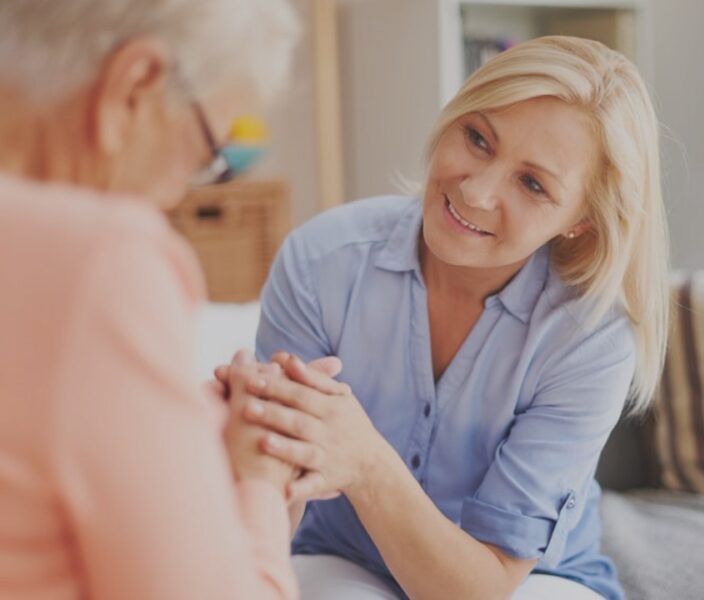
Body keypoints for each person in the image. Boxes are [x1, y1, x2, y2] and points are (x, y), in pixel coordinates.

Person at [222, 36, 670, 600]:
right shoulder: (321, 262)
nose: (476, 192)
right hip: (342, 557)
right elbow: (270, 503)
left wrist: (364, 460)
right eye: (478, 139)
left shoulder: (589, 337)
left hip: (527, 584)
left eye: (533, 184)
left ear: (581, 220)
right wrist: (250, 446)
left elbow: (481, 588)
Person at [0, 1, 322, 598]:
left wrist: (186, 425)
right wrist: (261, 480)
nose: (178, 194)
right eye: (205, 158)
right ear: (136, 84)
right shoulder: (99, 260)